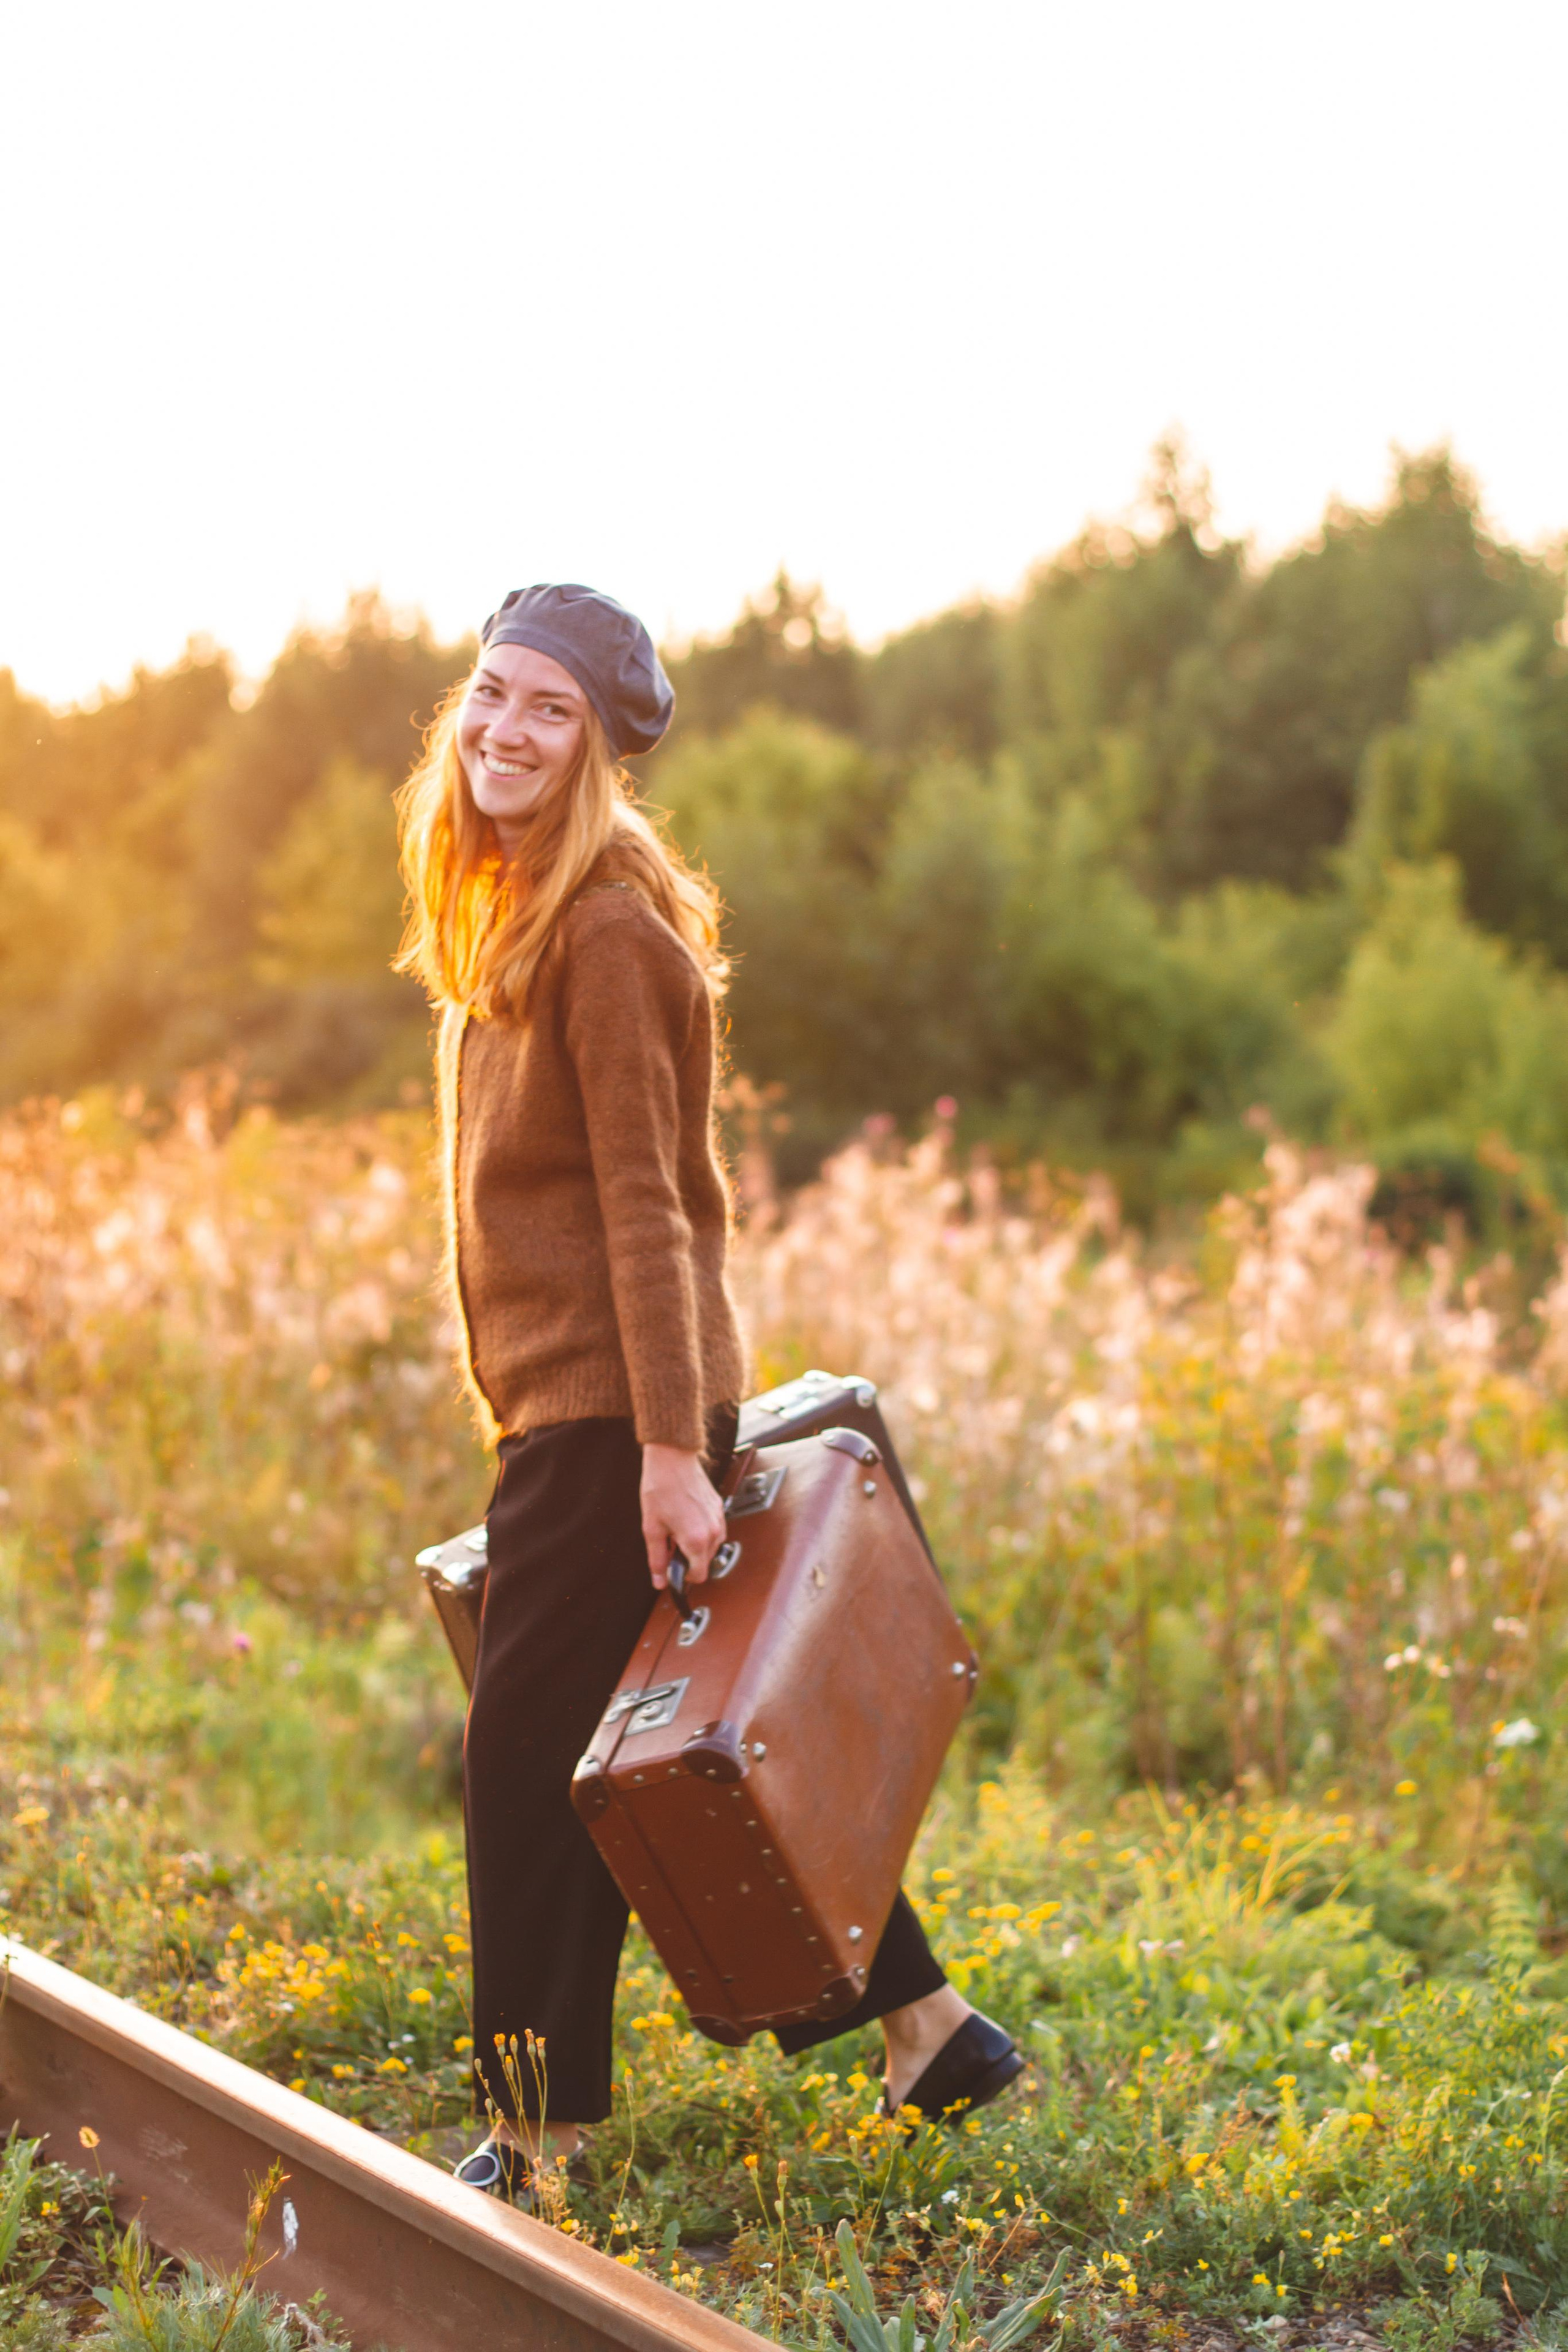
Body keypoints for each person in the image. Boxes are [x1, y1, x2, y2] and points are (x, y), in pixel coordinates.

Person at [394, 582, 1020, 2199]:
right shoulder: (522, 911)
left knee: (529, 1773)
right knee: (633, 1749)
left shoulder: (602, 925)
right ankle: (934, 2033)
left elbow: (652, 1211)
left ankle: (540, 2133)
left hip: (615, 1425)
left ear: (598, 749)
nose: (506, 731)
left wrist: (671, 1452)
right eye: (493, 694)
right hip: (579, 1416)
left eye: (550, 713)